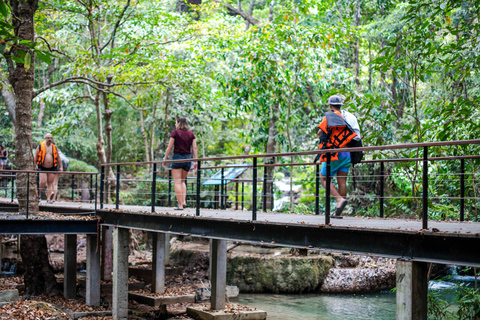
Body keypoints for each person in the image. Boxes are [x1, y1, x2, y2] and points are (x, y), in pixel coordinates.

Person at [317, 95, 361, 218]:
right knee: (342, 182)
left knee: (324, 178)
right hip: (347, 154)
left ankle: (339, 200)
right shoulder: (351, 117)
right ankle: (338, 212)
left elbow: (320, 133)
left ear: (330, 106)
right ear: (341, 105)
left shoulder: (329, 117)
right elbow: (357, 136)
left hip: (334, 154)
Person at [163, 116, 198, 210]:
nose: (175, 124)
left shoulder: (175, 133)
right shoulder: (191, 134)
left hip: (177, 158)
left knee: (177, 182)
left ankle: (180, 205)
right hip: (187, 159)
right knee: (182, 181)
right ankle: (184, 201)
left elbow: (169, 147)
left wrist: (165, 158)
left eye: (176, 122)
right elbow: (194, 148)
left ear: (178, 123)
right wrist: (195, 161)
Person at [34, 133, 63, 203]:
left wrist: (61, 166)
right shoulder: (40, 146)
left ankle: (48, 198)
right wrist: (34, 166)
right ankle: (39, 194)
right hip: (42, 167)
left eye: (50, 138)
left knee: (50, 183)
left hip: (52, 167)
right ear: (45, 138)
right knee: (43, 181)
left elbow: (58, 157)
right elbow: (36, 156)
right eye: (48, 138)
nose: (49, 139)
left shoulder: (54, 147)